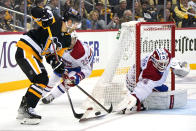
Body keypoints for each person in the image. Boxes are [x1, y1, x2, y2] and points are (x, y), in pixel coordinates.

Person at [15, 5, 81, 125]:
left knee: (42, 79)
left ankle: (24, 109)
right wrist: (43, 14)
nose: (77, 26)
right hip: (26, 49)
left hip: (36, 55)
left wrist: (56, 63)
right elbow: (34, 11)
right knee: (41, 78)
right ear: (70, 21)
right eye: (76, 23)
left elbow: (53, 56)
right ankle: (26, 109)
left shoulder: (66, 40)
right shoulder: (54, 19)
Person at [117, 48, 190, 114]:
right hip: (132, 81)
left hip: (137, 74)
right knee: (155, 93)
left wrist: (177, 66)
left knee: (165, 89)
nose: (163, 66)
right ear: (154, 61)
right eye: (161, 64)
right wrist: (135, 97)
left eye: (165, 63)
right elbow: (144, 87)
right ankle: (141, 101)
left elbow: (170, 60)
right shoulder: (150, 72)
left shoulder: (164, 56)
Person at [41, 31, 94, 104]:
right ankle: (40, 95)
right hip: (66, 63)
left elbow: (87, 70)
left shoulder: (80, 51)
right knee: (52, 79)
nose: (69, 41)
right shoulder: (59, 44)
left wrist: (77, 77)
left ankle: (52, 96)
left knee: (68, 82)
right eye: (68, 38)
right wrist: (59, 66)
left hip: (79, 66)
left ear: (75, 39)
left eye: (72, 39)